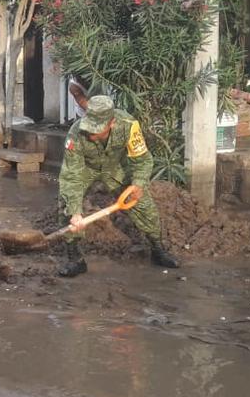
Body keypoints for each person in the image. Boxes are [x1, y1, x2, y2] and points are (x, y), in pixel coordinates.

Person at [57, 95, 180, 277]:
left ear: (112, 123)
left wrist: (138, 184)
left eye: (96, 130)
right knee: (67, 207)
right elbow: (71, 176)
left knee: (145, 207)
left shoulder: (128, 125)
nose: (91, 134)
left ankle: (158, 250)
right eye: (89, 128)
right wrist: (75, 211)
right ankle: (75, 259)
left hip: (117, 168)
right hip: (86, 169)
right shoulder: (76, 134)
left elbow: (143, 160)